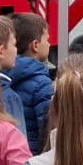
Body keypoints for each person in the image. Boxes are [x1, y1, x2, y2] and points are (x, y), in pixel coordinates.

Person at [8, 12, 55, 155]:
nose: (49, 43)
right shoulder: (42, 83)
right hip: (33, 157)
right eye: (47, 39)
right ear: (35, 45)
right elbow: (48, 129)